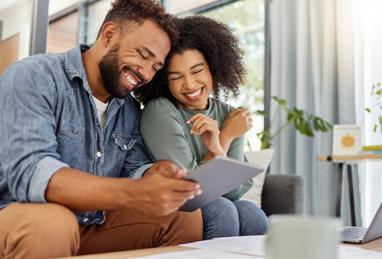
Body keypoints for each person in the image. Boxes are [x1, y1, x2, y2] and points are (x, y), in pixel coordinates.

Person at [0, 1, 203, 258]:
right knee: (53, 224)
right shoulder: (33, 76)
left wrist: (154, 173)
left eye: (156, 67)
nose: (146, 74)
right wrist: (134, 193)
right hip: (18, 215)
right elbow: (31, 172)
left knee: (183, 215)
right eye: (142, 54)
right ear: (109, 34)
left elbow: (132, 169)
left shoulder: (128, 108)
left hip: (90, 224)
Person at [135, 16, 268, 240]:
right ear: (164, 81)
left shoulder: (228, 114)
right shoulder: (160, 111)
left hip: (213, 202)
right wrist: (224, 138)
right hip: (171, 205)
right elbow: (190, 190)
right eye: (176, 77)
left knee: (251, 213)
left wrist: (218, 147)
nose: (189, 84)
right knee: (221, 209)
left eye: (197, 71)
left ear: (214, 68)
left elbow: (236, 190)